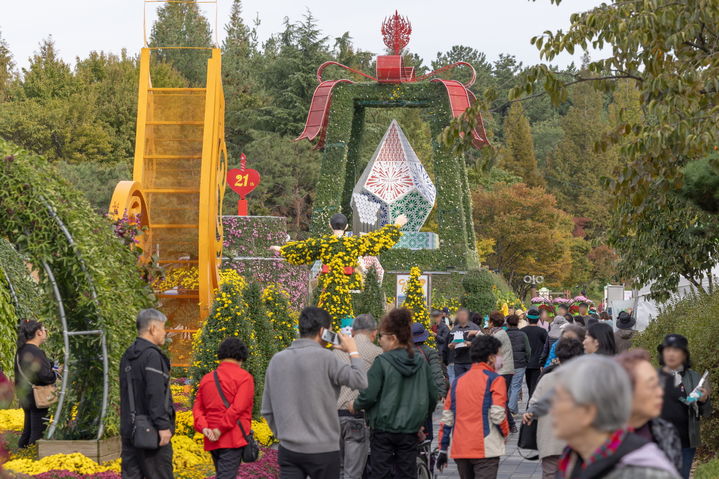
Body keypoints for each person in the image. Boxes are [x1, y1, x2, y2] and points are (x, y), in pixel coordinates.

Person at [262, 306, 367, 479]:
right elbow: (360, 381)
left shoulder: (277, 360)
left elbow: (267, 409)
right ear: (322, 331)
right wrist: (353, 351)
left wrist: (284, 435)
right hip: (324, 449)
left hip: (289, 449)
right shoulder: (328, 358)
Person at [551, 355, 680, 479]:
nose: (552, 408)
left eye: (559, 399)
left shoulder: (644, 472)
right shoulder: (571, 459)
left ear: (587, 411)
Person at [353, 308, 437, 479]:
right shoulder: (420, 362)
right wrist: (421, 421)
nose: (379, 341)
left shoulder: (382, 362)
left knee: (381, 473)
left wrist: (355, 405)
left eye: (381, 336)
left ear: (392, 338)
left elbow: (369, 395)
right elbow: (432, 396)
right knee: (407, 471)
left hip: (383, 429)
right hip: (409, 430)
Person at [436, 335, 509, 479]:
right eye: (499, 354)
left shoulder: (458, 381)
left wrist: (443, 449)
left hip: (461, 447)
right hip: (485, 448)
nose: (501, 358)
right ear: (491, 358)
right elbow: (497, 414)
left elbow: (447, 418)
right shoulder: (495, 380)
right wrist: (505, 433)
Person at [120, 309, 176, 479]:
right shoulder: (151, 356)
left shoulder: (127, 356)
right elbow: (155, 393)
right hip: (152, 433)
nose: (165, 333)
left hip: (130, 429)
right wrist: (163, 426)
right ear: (153, 328)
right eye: (163, 328)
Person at [523, 337, 585, 479]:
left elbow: (534, 406)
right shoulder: (587, 379)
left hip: (551, 442)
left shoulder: (547, 378)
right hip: (578, 443)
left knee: (550, 474)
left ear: (558, 357)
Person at [193, 338, 254, 479]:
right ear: (241, 357)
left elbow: (198, 408)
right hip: (232, 436)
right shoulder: (245, 378)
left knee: (222, 474)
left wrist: (204, 428)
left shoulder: (207, 378)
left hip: (211, 437)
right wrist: (220, 429)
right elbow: (237, 409)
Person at [614, 349, 683, 473]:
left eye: (659, 384)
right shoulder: (600, 439)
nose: (660, 392)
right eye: (652, 386)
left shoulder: (666, 432)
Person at [657, 334, 712, 479]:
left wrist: (704, 400)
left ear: (684, 355)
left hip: (685, 442)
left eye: (676, 350)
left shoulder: (695, 378)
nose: (671, 354)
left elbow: (706, 411)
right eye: (667, 350)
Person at [335, 314, 382, 479]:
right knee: (352, 473)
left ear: (353, 332)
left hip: (333, 418)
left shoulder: (336, 351)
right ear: (374, 333)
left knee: (337, 471)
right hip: (357, 416)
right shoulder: (378, 354)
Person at [15, 320, 59, 449]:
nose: (46, 332)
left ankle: (22, 453)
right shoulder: (35, 351)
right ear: (39, 333)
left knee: (28, 430)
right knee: (38, 432)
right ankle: (33, 458)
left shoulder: (22, 350)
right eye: (44, 329)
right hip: (37, 396)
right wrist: (55, 374)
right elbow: (45, 376)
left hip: (26, 394)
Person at [412, 322, 448, 441]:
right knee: (427, 429)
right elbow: (436, 373)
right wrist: (441, 391)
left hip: (407, 396)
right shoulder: (430, 352)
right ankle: (426, 454)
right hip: (424, 396)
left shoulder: (402, 352)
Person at [483, 312, 516, 433]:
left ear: (492, 322)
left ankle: (510, 424)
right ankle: (506, 423)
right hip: (503, 369)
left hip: (503, 370)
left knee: (500, 398)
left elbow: (488, 345)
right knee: (500, 397)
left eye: (489, 321)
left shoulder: (499, 335)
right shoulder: (499, 332)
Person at [505, 314, 531, 416]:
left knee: (509, 386)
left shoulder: (504, 334)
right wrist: (527, 360)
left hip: (507, 363)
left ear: (507, 323)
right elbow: (528, 350)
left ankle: (513, 409)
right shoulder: (522, 334)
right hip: (520, 364)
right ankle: (511, 408)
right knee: (516, 386)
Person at [522, 309, 548, 401]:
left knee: (529, 384)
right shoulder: (542, 331)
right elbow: (547, 346)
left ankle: (530, 404)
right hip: (538, 363)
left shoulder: (523, 331)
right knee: (535, 385)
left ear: (528, 319)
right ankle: (531, 405)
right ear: (538, 319)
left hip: (526, 362)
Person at [448, 308, 481, 379]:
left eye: (464, 315)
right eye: (460, 315)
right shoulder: (454, 329)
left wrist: (470, 344)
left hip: (471, 362)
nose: (462, 317)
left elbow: (481, 344)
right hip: (458, 362)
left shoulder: (475, 327)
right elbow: (449, 345)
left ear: (468, 316)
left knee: (471, 384)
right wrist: (451, 345)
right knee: (460, 384)